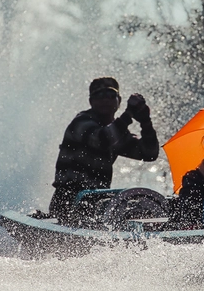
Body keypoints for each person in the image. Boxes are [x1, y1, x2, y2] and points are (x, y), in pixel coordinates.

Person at [48, 77, 159, 221]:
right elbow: (102, 139)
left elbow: (149, 154)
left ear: (118, 100)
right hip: (68, 200)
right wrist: (128, 115)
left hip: (97, 202)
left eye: (110, 95)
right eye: (99, 96)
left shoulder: (117, 133)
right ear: (91, 101)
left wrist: (146, 122)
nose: (105, 100)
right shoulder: (81, 123)